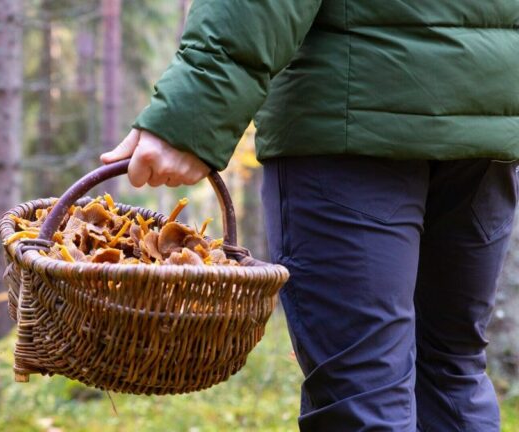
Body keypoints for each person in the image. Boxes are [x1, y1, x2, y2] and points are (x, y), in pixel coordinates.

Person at [100, 1, 519, 431]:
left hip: (349, 120)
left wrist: (191, 112)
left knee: (365, 391)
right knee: (451, 375)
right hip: (488, 118)